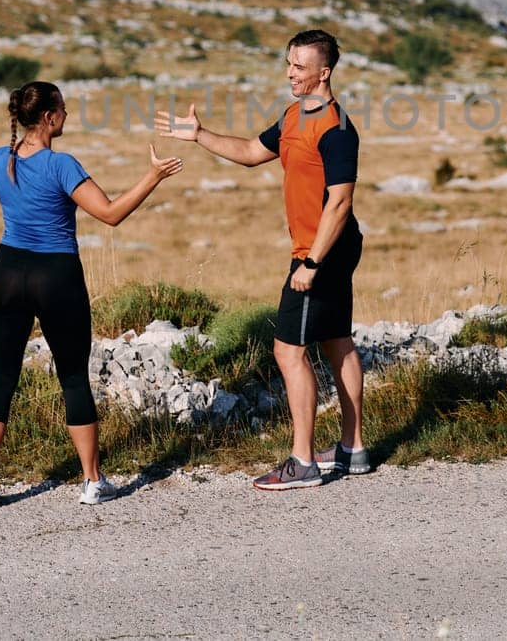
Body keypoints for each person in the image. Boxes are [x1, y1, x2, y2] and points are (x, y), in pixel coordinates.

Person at [156, 28, 369, 490]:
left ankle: (302, 461)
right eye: (288, 63)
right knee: (336, 340)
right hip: (320, 249)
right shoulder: (294, 116)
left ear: (323, 72)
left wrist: (311, 264)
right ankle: (352, 450)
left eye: (299, 66)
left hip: (323, 251)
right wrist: (200, 136)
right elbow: (253, 152)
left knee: (288, 350)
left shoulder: (336, 128)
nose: (290, 72)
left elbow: (340, 202)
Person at [0, 80, 183, 508]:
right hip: (56, 275)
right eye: (63, 108)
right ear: (48, 117)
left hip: (6, 273)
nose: (67, 115)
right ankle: (93, 482)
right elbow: (112, 214)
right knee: (74, 376)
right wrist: (153, 175)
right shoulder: (62, 166)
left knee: (1, 378)